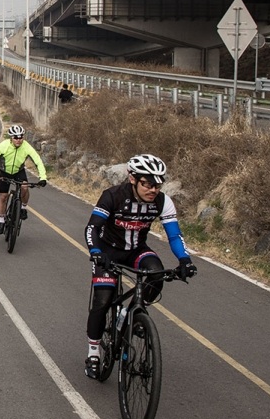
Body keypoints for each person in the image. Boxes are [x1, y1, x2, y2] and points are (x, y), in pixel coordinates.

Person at [83, 154, 197, 379]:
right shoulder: (112, 196)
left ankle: (130, 313)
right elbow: (92, 228)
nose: (153, 190)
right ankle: (93, 353)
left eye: (158, 185)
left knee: (157, 274)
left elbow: (174, 235)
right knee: (103, 300)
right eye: (148, 184)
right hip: (108, 252)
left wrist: (185, 260)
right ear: (133, 179)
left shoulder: (162, 202)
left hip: (137, 250)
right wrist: (96, 252)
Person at [0, 124, 47, 234]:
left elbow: (38, 161)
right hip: (4, 172)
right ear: (11, 137)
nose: (19, 140)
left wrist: (43, 177)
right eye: (16, 137)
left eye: (21, 137)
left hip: (18, 171)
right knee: (3, 196)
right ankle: (1, 220)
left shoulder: (26, 147)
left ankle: (23, 208)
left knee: (24, 187)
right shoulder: (3, 146)